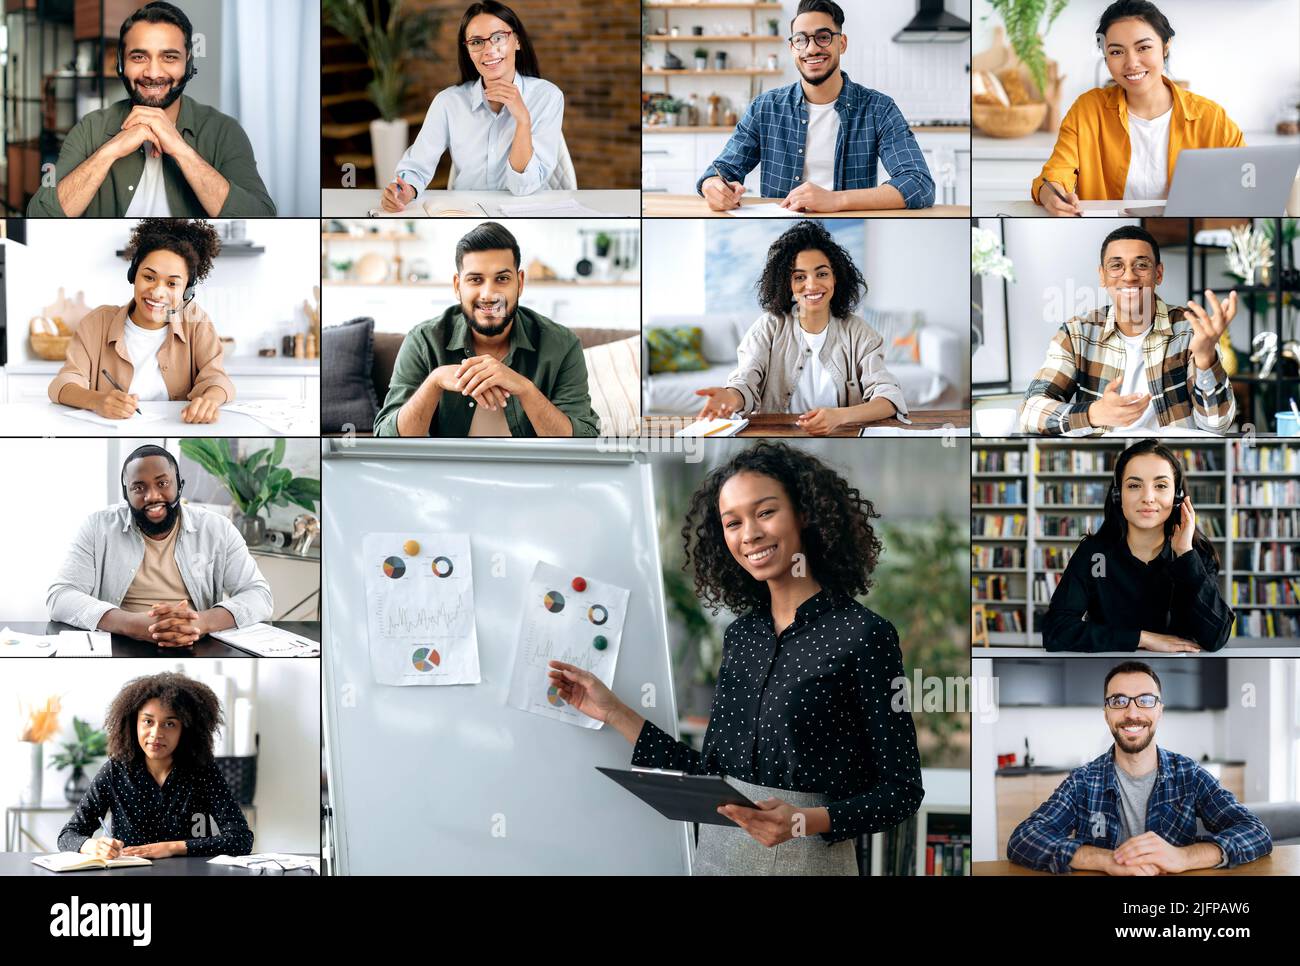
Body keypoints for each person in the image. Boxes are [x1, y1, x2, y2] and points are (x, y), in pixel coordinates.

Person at [548, 442, 924, 875]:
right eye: (733, 522)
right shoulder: (742, 637)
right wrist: (611, 711)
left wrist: (803, 820)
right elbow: (711, 780)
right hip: (717, 859)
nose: (750, 535)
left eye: (765, 512)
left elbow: (901, 791)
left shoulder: (864, 635)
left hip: (809, 861)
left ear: (805, 514)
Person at [1007, 661, 1271, 874]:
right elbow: (1023, 839)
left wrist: (1184, 857)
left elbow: (1256, 832)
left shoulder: (1190, 775)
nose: (1132, 713)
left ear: (1159, 711)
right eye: (1119, 701)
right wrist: (1107, 861)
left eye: (1145, 700)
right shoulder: (1082, 781)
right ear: (1106, 713)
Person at [28, 1, 275, 217]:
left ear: (188, 63)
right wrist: (108, 152)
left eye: (169, 57)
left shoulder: (224, 131)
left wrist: (181, 150)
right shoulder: (91, 127)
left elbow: (262, 218)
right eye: (139, 57)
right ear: (121, 64)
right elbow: (39, 215)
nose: (153, 73)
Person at [696, 0, 934, 213]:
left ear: (841, 43)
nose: (811, 49)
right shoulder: (764, 108)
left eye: (823, 37)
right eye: (801, 39)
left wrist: (836, 200)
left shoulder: (878, 109)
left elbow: (919, 184)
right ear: (792, 48)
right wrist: (713, 186)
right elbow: (721, 170)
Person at [373, 221, 599, 437]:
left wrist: (525, 389)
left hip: (532, 473)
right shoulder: (423, 341)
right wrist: (434, 381)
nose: (489, 295)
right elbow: (385, 438)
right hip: (446, 472)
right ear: (457, 286)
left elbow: (585, 441)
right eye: (475, 280)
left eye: (502, 278)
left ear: (519, 283)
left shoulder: (563, 345)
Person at [694, 220, 907, 434]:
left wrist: (840, 416)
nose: (812, 285)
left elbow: (888, 397)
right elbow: (745, 381)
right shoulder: (768, 328)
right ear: (787, 284)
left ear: (836, 278)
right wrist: (730, 397)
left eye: (822, 273)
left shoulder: (860, 333)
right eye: (800, 277)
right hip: (778, 439)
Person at [1020, 224, 1236, 434]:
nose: (1129, 276)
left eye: (1141, 265)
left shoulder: (1191, 330)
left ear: (1158, 274)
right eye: (1116, 266)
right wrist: (1094, 414)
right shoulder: (1076, 334)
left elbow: (1217, 425)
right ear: (1102, 276)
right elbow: (1030, 412)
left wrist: (1206, 359)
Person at [1032, 1, 1244, 215]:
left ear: (1165, 47)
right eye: (1116, 52)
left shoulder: (1211, 117)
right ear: (1105, 57)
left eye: (1143, 47)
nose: (1131, 63)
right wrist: (1053, 196)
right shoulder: (1087, 110)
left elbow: (1248, 183)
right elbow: (1053, 176)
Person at [47, 445, 273, 645]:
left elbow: (259, 595)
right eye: (138, 487)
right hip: (121, 641)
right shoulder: (97, 526)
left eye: (163, 483)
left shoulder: (218, 528)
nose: (152, 496)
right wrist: (132, 624)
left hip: (196, 642)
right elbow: (61, 596)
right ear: (126, 493)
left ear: (180, 486)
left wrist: (201, 622)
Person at [1042, 439, 1234, 652]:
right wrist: (1142, 638)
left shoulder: (1195, 555)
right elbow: (1055, 631)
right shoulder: (1095, 554)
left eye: (1161, 486)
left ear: (1177, 496)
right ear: (1118, 495)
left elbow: (1216, 638)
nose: (1148, 498)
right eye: (1134, 486)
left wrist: (1185, 555)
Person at [381, 1, 563, 211]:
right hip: (465, 212)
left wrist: (522, 119)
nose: (489, 49)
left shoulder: (547, 97)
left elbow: (524, 187)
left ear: (517, 41)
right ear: (468, 50)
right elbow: (417, 166)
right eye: (477, 42)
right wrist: (404, 191)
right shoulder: (449, 102)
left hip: (527, 212)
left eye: (498, 38)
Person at [49, 218, 232, 424]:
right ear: (133, 275)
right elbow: (62, 384)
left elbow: (218, 380)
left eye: (172, 283)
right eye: (149, 277)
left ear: (186, 291)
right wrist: (98, 400)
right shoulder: (97, 322)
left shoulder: (195, 320)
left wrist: (209, 400)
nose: (157, 292)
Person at [59, 671, 254, 860]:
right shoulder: (114, 771)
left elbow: (241, 839)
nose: (155, 734)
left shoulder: (203, 770)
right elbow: (68, 835)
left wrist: (172, 847)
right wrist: (92, 845)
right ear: (133, 723)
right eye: (147, 721)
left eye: (169, 724)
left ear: (185, 729)